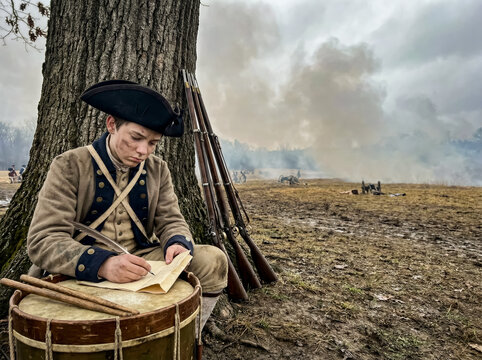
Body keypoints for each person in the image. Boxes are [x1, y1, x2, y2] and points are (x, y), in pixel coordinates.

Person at [27, 80, 228, 331]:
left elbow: (171, 219)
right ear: (112, 124)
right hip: (78, 266)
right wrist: (103, 264)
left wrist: (177, 242)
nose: (143, 151)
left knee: (213, 260)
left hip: (141, 261)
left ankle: (189, 337)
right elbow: (43, 239)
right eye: (136, 137)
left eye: (153, 143)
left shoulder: (158, 170)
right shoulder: (69, 165)